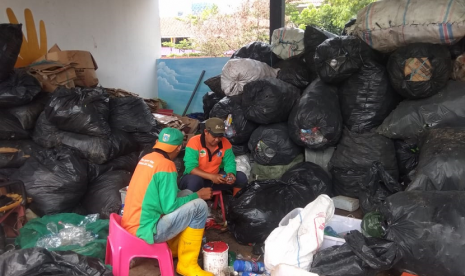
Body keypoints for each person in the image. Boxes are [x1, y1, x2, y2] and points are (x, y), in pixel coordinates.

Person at [122, 128, 214, 276]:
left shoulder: (147, 159)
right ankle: (187, 264)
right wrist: (198, 195)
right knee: (200, 206)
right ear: (178, 148)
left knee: (186, 193)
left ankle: (173, 249)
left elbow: (169, 196)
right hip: (147, 230)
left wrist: (192, 195)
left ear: (157, 143)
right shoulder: (167, 165)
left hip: (131, 223)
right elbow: (169, 207)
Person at [179, 117, 247, 195]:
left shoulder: (226, 143)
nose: (217, 140)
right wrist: (211, 176)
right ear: (206, 132)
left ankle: (237, 204)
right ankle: (192, 205)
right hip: (194, 178)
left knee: (241, 177)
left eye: (220, 136)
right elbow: (191, 168)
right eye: (214, 136)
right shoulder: (194, 142)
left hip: (215, 178)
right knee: (195, 181)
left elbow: (230, 163)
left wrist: (231, 173)